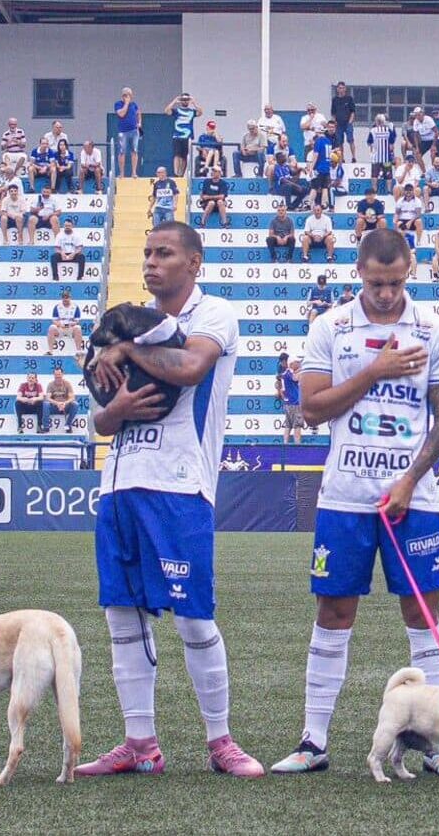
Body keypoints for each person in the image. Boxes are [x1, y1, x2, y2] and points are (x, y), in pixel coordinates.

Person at [271, 228, 439, 777]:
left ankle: (438, 745)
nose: (386, 293)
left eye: (396, 282)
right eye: (377, 283)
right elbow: (311, 409)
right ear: (359, 273)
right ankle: (313, 741)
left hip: (414, 497)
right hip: (345, 496)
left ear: (410, 271)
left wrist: (409, 480)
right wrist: (374, 371)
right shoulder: (331, 328)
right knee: (334, 612)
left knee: (423, 614)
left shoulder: (434, 331)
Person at [77, 219, 263, 778]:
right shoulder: (123, 320)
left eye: (164, 253)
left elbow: (190, 367)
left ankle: (220, 741)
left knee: (193, 618)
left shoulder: (213, 314)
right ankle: (140, 743)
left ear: (194, 262)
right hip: (119, 484)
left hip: (181, 485)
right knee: (122, 616)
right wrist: (114, 410)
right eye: (146, 253)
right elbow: (100, 417)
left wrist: (125, 348)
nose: (151, 262)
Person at [164, 92, 202, 177]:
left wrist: (194, 102)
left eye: (186, 99)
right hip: (177, 136)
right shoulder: (177, 111)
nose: (185, 101)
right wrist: (174, 101)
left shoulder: (192, 111)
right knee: (177, 155)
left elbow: (200, 113)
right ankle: (176, 173)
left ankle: (181, 174)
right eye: (183, 99)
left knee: (184, 156)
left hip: (187, 137)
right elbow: (166, 111)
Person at [47, 289, 86, 356]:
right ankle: (50, 351)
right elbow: (54, 320)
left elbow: (77, 320)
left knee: (78, 328)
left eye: (67, 297)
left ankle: (78, 351)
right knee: (51, 327)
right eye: (64, 298)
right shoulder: (57, 307)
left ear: (70, 298)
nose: (65, 299)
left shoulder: (75, 307)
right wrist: (59, 324)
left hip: (71, 327)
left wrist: (72, 324)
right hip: (60, 327)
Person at [114, 87, 142, 178]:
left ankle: (134, 172)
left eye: (129, 95)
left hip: (134, 131)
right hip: (123, 132)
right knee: (122, 152)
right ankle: (122, 173)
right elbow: (121, 114)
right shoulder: (118, 104)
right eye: (125, 95)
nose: (127, 97)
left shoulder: (134, 105)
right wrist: (126, 103)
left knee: (134, 151)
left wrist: (139, 122)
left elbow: (138, 113)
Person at [310, 121, 337, 210]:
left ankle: (309, 204)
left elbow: (316, 155)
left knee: (314, 187)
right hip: (327, 168)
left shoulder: (318, 141)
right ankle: (323, 204)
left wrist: (311, 168)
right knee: (325, 187)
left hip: (319, 168)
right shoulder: (328, 141)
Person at [366, 114, 396, 191]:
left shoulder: (373, 131)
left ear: (376, 122)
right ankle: (389, 190)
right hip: (386, 157)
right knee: (388, 175)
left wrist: (375, 145)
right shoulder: (388, 130)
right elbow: (392, 144)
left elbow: (369, 143)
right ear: (384, 122)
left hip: (376, 157)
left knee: (374, 175)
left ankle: (374, 190)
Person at [44, 366, 78, 433]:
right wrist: (57, 403)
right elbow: (48, 398)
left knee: (75, 404)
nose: (57, 376)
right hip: (54, 406)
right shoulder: (50, 384)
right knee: (45, 404)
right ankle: (46, 426)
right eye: (56, 374)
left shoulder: (67, 384)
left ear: (62, 374)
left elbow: (72, 397)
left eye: (59, 374)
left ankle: (68, 425)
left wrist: (64, 403)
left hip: (65, 406)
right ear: (54, 375)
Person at [331, 82, 357, 164]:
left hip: (347, 123)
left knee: (350, 140)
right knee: (339, 142)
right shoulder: (335, 100)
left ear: (345, 89)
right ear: (337, 89)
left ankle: (353, 157)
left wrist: (350, 122)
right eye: (339, 88)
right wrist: (334, 123)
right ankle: (342, 158)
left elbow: (353, 112)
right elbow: (333, 113)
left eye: (342, 88)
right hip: (338, 124)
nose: (341, 89)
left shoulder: (349, 99)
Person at [279, 357, 303, 443]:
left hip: (288, 403)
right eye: (297, 362)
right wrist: (303, 370)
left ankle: (285, 443)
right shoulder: (289, 373)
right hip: (294, 403)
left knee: (288, 425)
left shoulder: (286, 373)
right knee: (297, 425)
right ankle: (297, 444)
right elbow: (295, 378)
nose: (299, 364)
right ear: (292, 363)